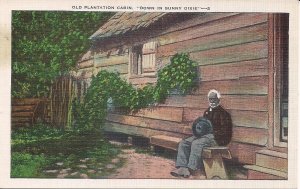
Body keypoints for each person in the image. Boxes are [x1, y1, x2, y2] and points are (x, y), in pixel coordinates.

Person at [170, 89, 232, 178]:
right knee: (184, 142)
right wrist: (199, 132)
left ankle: (190, 168)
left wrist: (211, 133)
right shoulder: (207, 112)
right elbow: (202, 125)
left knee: (196, 143)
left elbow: (225, 132)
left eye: (214, 99)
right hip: (205, 136)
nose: (212, 101)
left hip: (217, 139)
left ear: (218, 100)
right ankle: (182, 167)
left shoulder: (224, 114)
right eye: (210, 99)